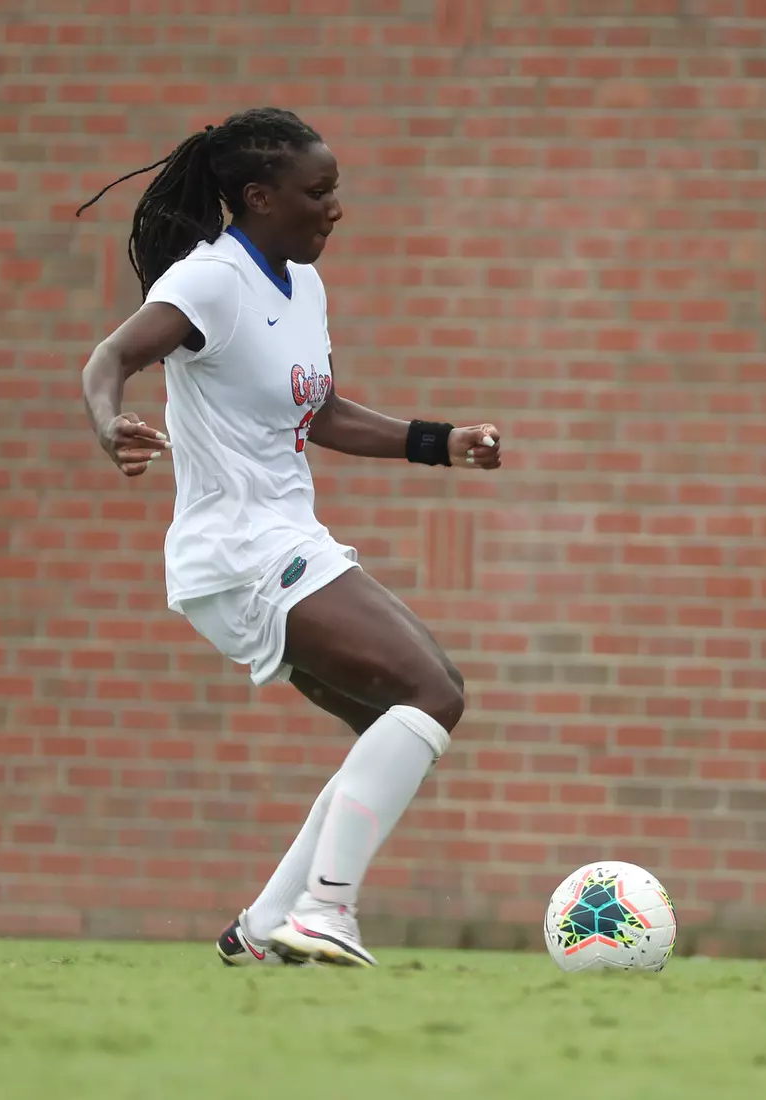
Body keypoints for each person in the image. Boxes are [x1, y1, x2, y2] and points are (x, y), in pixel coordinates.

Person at [76, 107, 501, 968]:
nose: (335, 206)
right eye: (319, 191)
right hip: (239, 548)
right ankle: (324, 910)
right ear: (261, 197)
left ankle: (265, 927)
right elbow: (107, 359)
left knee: (401, 717)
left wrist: (438, 440)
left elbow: (326, 413)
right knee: (435, 690)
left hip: (279, 539)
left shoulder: (301, 283)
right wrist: (109, 423)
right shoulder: (210, 281)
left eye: (335, 188)